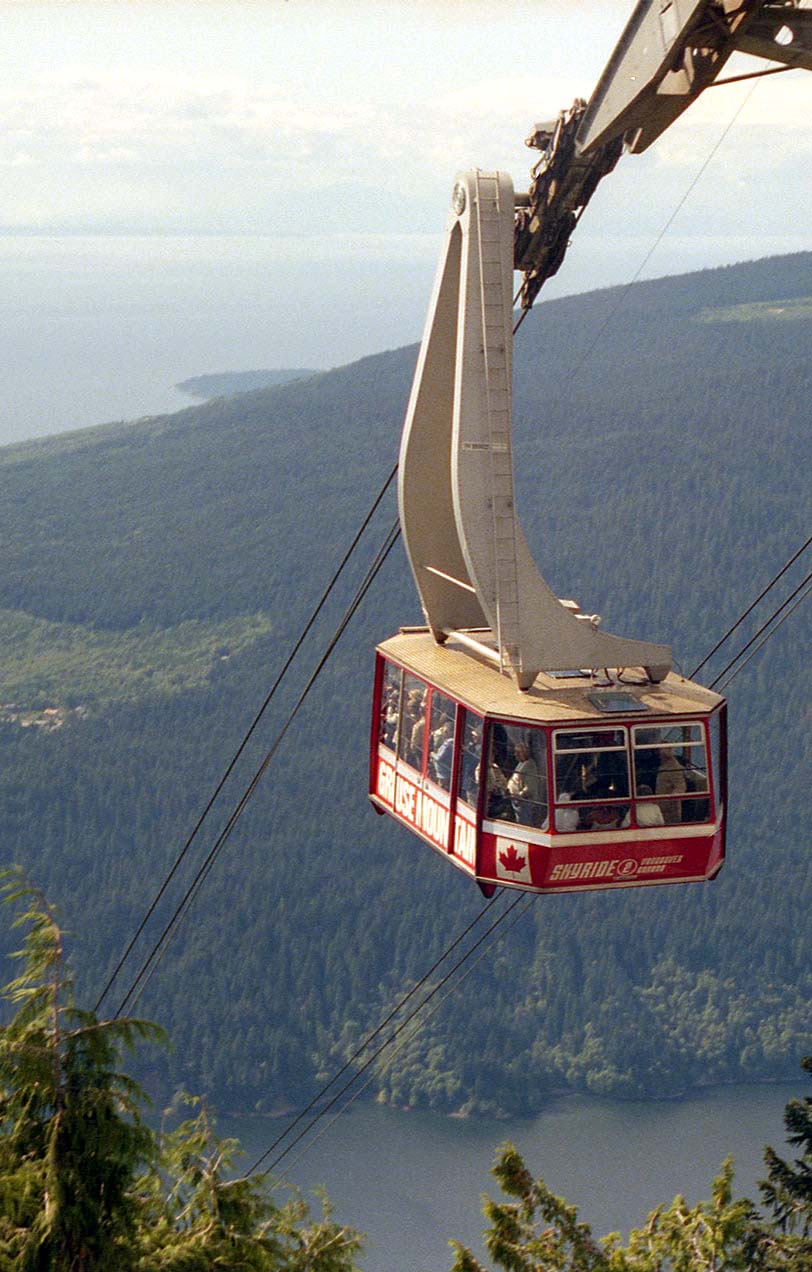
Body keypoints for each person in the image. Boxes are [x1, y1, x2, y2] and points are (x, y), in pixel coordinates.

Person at [507, 741, 544, 827]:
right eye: (515, 752)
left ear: (525, 753)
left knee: (525, 824)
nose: (516, 755)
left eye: (518, 752)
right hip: (517, 801)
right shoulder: (521, 763)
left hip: (525, 803)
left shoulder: (529, 766)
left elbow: (530, 787)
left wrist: (519, 795)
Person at [656, 746, 686, 824]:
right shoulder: (662, 765)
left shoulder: (674, 767)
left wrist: (670, 799)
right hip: (661, 807)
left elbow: (681, 786)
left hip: (671, 811)